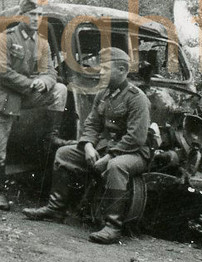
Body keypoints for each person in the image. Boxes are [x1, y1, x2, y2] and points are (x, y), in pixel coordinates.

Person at [23, 46, 151, 244]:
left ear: (122, 70)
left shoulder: (137, 98)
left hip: (133, 153)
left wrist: (110, 156)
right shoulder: (104, 94)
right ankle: (55, 209)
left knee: (116, 167)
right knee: (65, 154)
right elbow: (91, 124)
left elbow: (136, 137)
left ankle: (112, 226)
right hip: (105, 148)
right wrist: (89, 145)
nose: (100, 71)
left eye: (105, 68)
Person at [0, 0, 67, 211]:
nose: (36, 19)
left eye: (39, 15)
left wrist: (43, 82)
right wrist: (30, 83)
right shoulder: (6, 38)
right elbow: (1, 71)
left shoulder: (42, 43)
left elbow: (51, 71)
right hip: (4, 96)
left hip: (26, 94)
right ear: (22, 16)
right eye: (32, 14)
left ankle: (51, 135)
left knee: (60, 90)